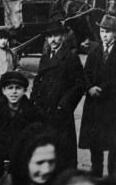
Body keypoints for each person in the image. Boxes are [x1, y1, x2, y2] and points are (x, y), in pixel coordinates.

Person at [80, 14, 116, 177]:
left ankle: (112, 180)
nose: (104, 35)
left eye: (108, 32)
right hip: (94, 105)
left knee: (114, 145)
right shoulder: (94, 52)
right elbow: (86, 73)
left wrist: (100, 89)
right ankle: (96, 174)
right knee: (95, 145)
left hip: (112, 106)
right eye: (102, 31)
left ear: (115, 33)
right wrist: (89, 88)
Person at [30, 20, 85, 171]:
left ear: (62, 37)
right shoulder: (45, 57)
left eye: (56, 36)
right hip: (43, 111)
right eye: (49, 37)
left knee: (62, 152)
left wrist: (64, 105)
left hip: (60, 114)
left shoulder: (70, 57)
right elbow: (38, 80)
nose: (53, 40)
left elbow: (79, 85)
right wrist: (33, 100)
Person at [0, 71, 46, 185]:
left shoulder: (34, 114)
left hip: (25, 165)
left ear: (24, 90)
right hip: (0, 165)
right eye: (10, 88)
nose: (13, 92)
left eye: (18, 88)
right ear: (3, 91)